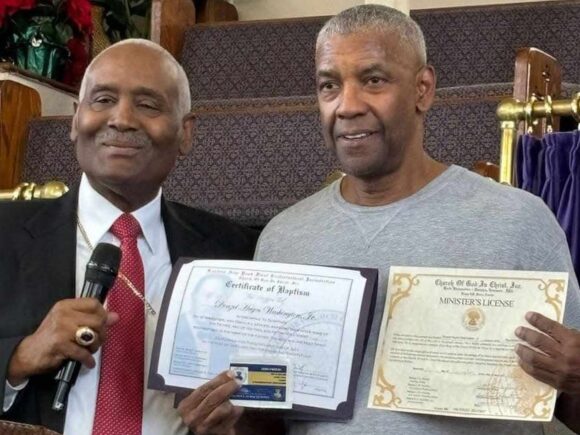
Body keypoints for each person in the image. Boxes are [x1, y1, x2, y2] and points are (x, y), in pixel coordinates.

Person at [252, 5, 580, 435]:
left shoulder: (516, 221)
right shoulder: (282, 240)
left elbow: (566, 409)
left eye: (373, 80)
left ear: (423, 89)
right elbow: (268, 416)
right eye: (329, 85)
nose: (347, 106)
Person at [0, 39, 258, 434]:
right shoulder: (5, 232)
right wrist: (19, 358)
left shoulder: (233, 252)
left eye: (148, 105)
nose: (121, 119)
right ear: (75, 118)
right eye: (102, 99)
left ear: (186, 133)